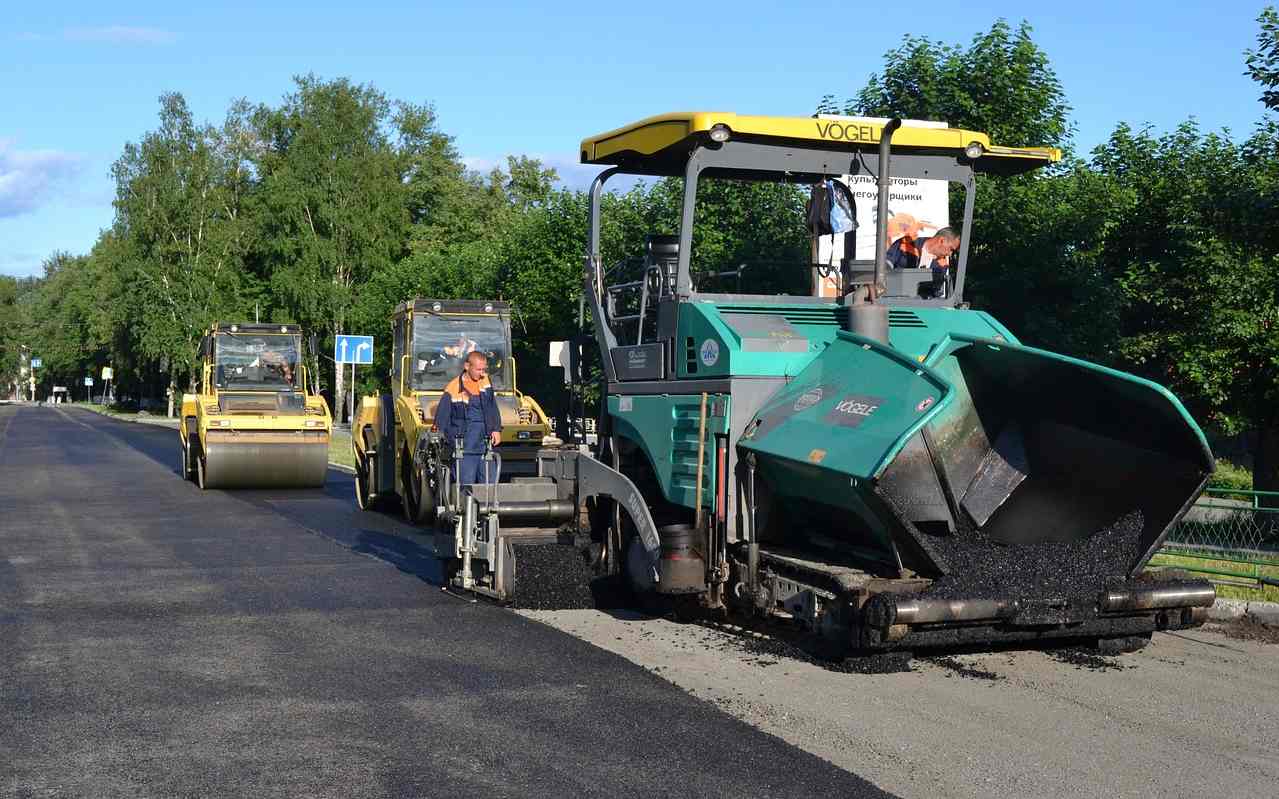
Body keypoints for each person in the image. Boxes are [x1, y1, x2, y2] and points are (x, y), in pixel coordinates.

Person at [434, 351, 503, 485]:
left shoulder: (485, 382)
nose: (482, 373)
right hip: (464, 450)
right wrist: (450, 440)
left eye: (484, 369)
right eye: (478, 369)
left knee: (490, 486)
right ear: (467, 366)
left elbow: (492, 407)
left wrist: (496, 429)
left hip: (485, 447)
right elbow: (441, 420)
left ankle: (488, 507)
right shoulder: (452, 389)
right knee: (465, 488)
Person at [886, 226, 961, 298]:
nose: (950, 254)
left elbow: (935, 292)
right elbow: (885, 267)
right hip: (892, 300)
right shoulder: (905, 243)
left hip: (920, 306)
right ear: (941, 240)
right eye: (951, 249)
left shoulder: (943, 264)